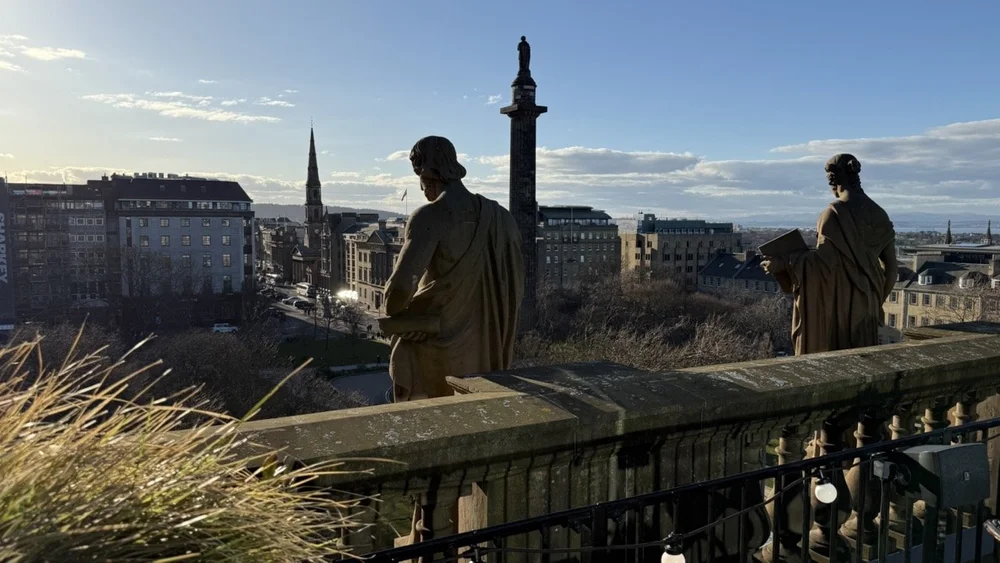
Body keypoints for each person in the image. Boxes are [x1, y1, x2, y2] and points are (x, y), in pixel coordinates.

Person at [383, 136, 524, 401]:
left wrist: (399, 309)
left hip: (437, 356)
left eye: (418, 176)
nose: (421, 187)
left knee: (432, 418)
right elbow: (514, 290)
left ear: (425, 171)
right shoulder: (503, 219)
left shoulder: (430, 216)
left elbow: (397, 295)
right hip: (488, 352)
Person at [762, 154, 897, 355]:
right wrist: (876, 301)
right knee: (862, 361)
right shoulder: (880, 213)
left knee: (836, 358)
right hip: (867, 304)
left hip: (839, 307)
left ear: (833, 180)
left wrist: (783, 263)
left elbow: (822, 265)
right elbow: (892, 269)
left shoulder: (833, 213)